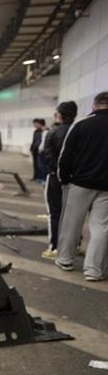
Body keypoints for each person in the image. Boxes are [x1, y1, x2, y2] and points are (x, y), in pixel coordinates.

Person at [55, 91, 108, 281]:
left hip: (79, 183)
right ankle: (94, 270)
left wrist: (64, 178)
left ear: (94, 106)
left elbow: (66, 155)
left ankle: (65, 259)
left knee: (71, 223)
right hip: (106, 187)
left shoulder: (81, 124)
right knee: (101, 228)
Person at [40, 102, 77, 260]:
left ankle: (54, 247)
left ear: (59, 115)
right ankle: (76, 246)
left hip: (55, 178)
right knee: (75, 214)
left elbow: (47, 157)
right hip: (77, 180)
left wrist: (58, 172)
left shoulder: (53, 133)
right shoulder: (80, 131)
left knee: (54, 213)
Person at [30, 118, 49, 183]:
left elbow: (42, 142)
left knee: (40, 165)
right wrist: (31, 148)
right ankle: (35, 177)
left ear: (39, 124)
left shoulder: (44, 131)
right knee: (35, 165)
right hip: (34, 150)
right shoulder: (35, 131)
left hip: (40, 151)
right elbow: (34, 141)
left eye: (35, 124)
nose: (35, 125)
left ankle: (41, 178)